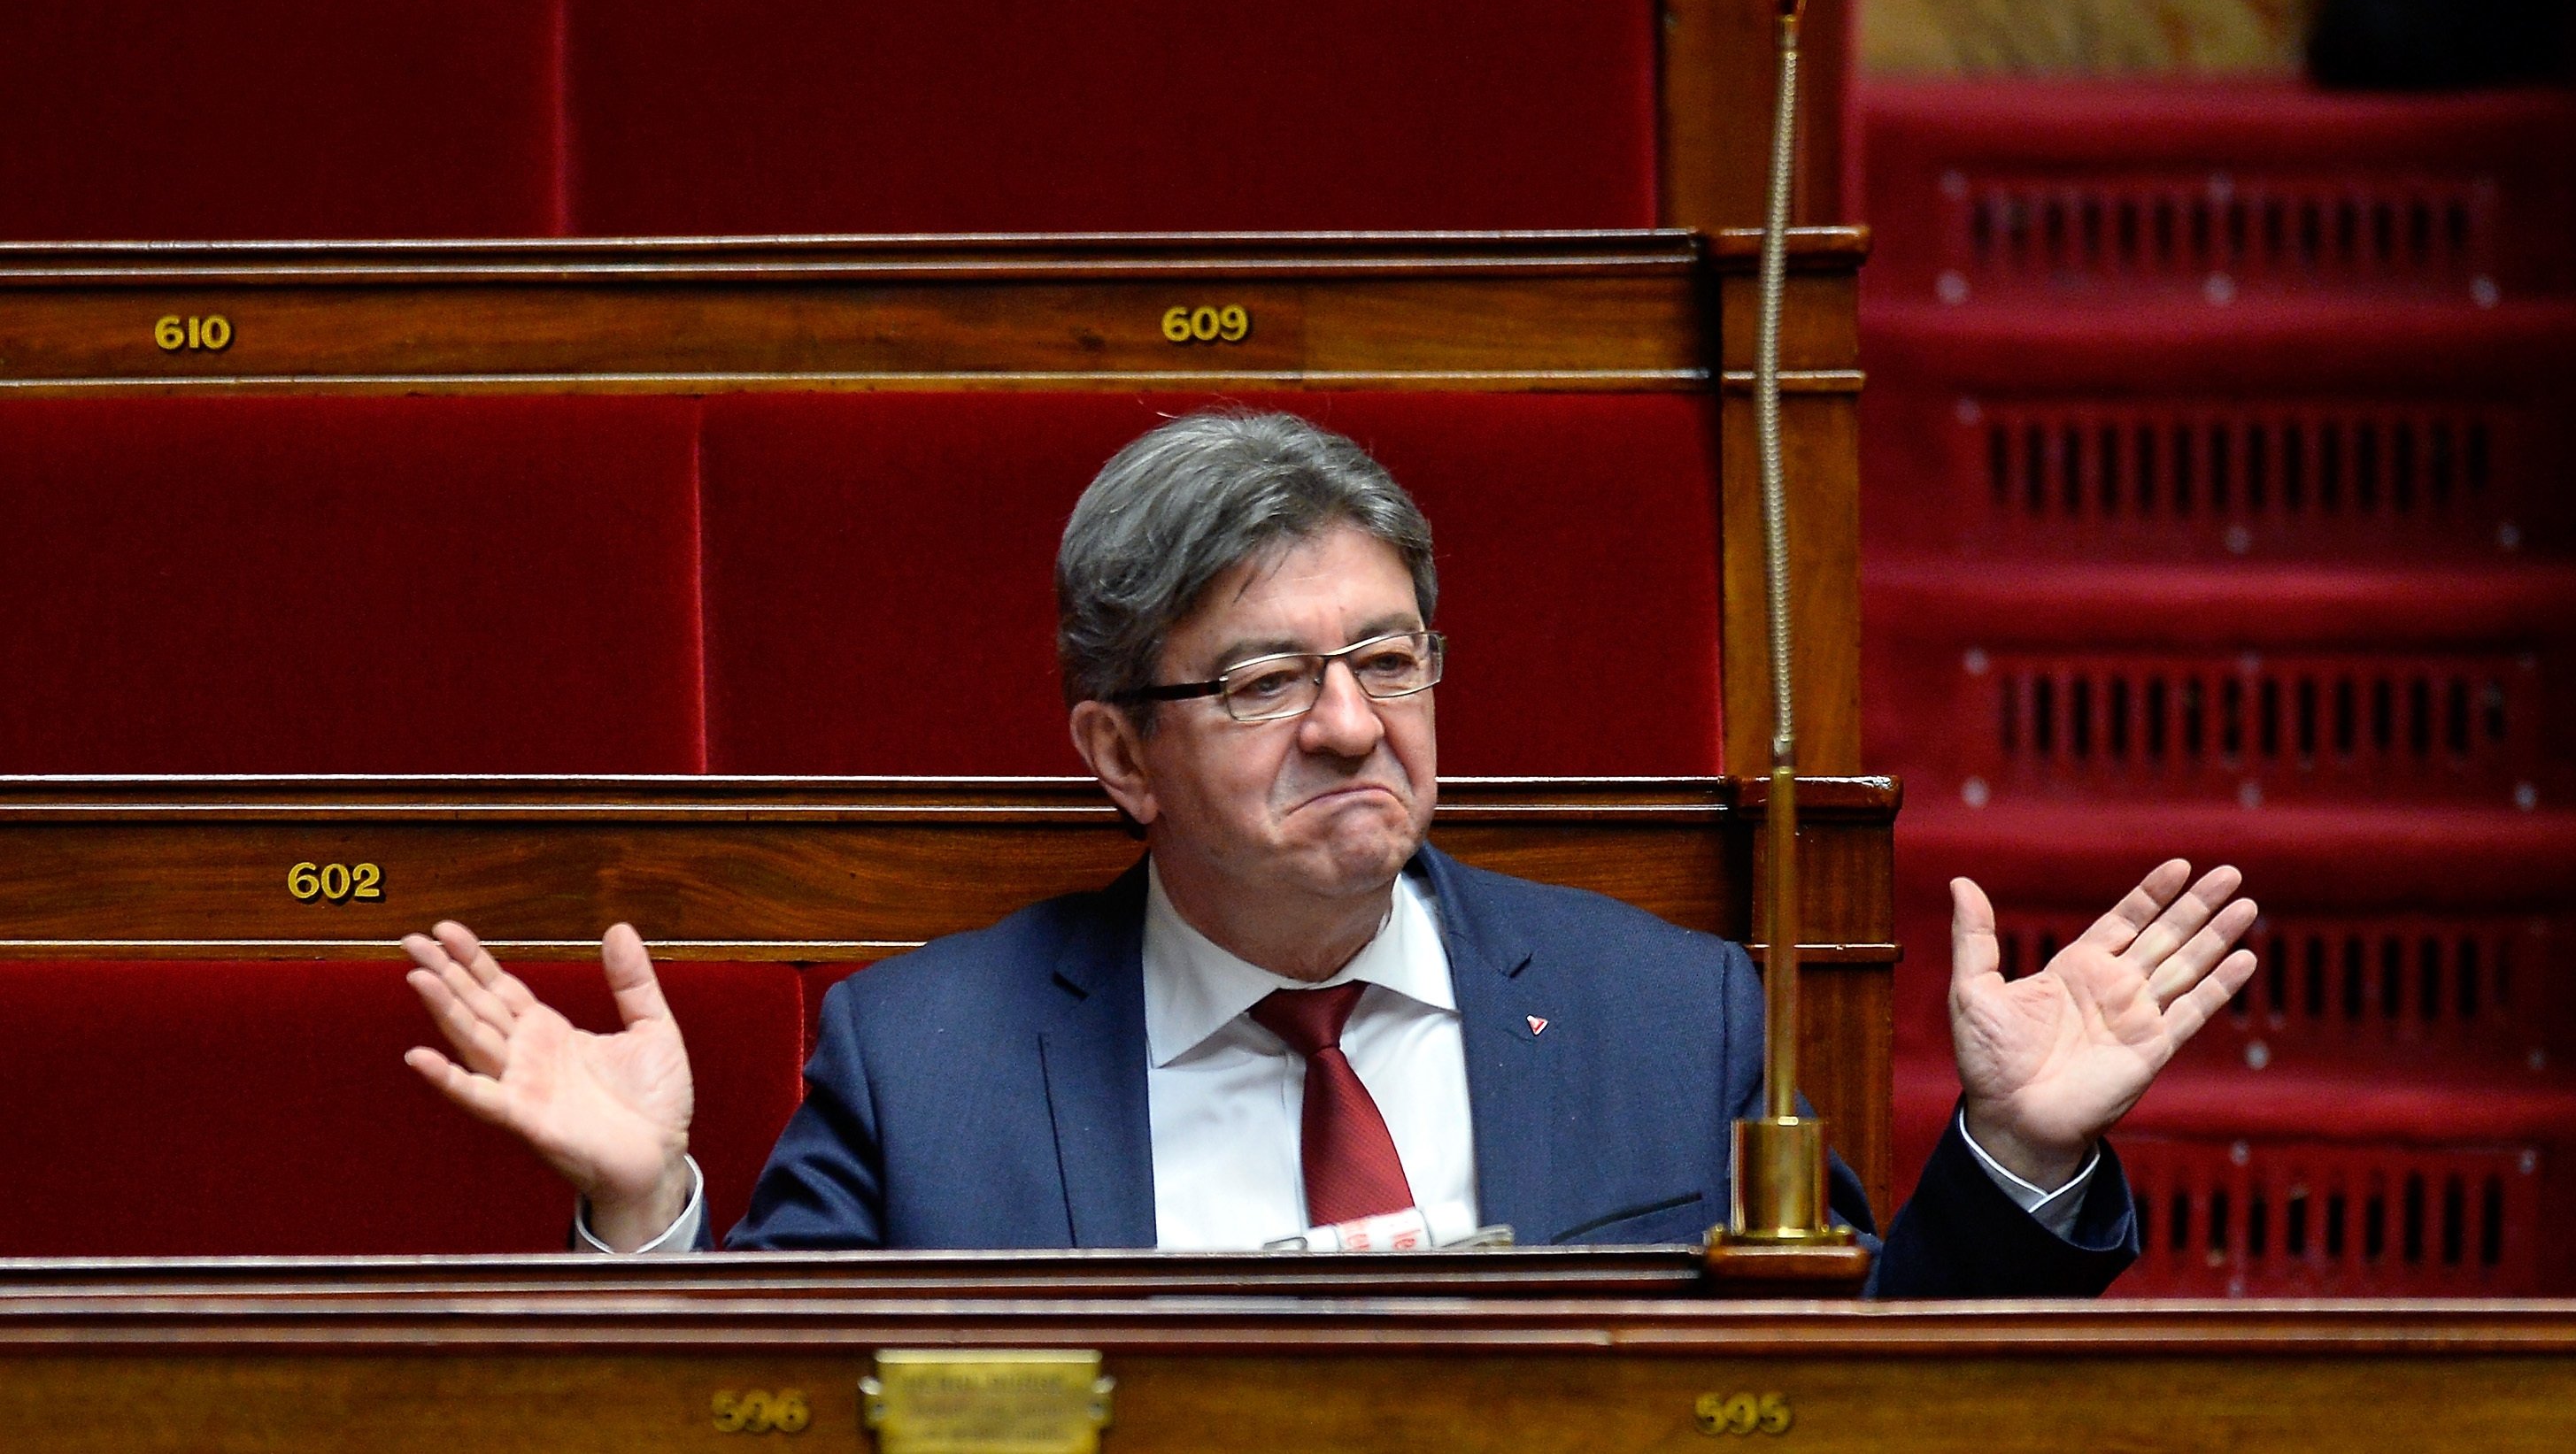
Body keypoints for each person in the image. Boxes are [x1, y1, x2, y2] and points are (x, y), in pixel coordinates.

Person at [402, 411, 2255, 1290]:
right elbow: (764, 1412)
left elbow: (1856, 1407)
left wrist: (2013, 1149)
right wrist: (648, 1216)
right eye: (1271, 677)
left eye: (1387, 658)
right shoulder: (927, 1056)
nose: (1356, 723)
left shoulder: (1658, 1011)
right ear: (1118, 752)